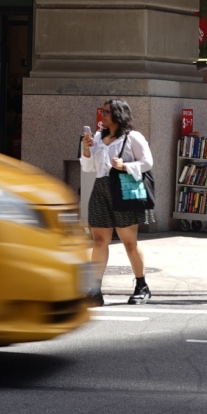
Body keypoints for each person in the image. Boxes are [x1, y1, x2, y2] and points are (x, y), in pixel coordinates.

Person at [81, 99, 153, 306]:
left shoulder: (133, 137)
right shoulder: (97, 137)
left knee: (129, 242)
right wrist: (87, 150)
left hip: (123, 190)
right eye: (102, 112)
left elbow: (148, 162)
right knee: (99, 241)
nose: (102, 115)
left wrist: (125, 166)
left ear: (118, 115)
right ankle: (95, 290)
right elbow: (88, 168)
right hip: (101, 190)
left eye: (106, 112)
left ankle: (142, 286)